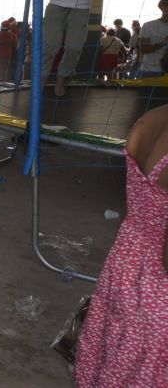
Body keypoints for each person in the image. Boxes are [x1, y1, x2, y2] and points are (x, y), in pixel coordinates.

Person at [74, 62, 168, 386]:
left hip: (126, 262)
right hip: (158, 290)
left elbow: (137, 206)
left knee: (114, 355)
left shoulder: (149, 121)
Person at [135, 0, 168, 77]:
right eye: (166, 5)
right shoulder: (148, 25)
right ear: (162, 7)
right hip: (150, 72)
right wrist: (163, 43)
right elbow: (143, 49)